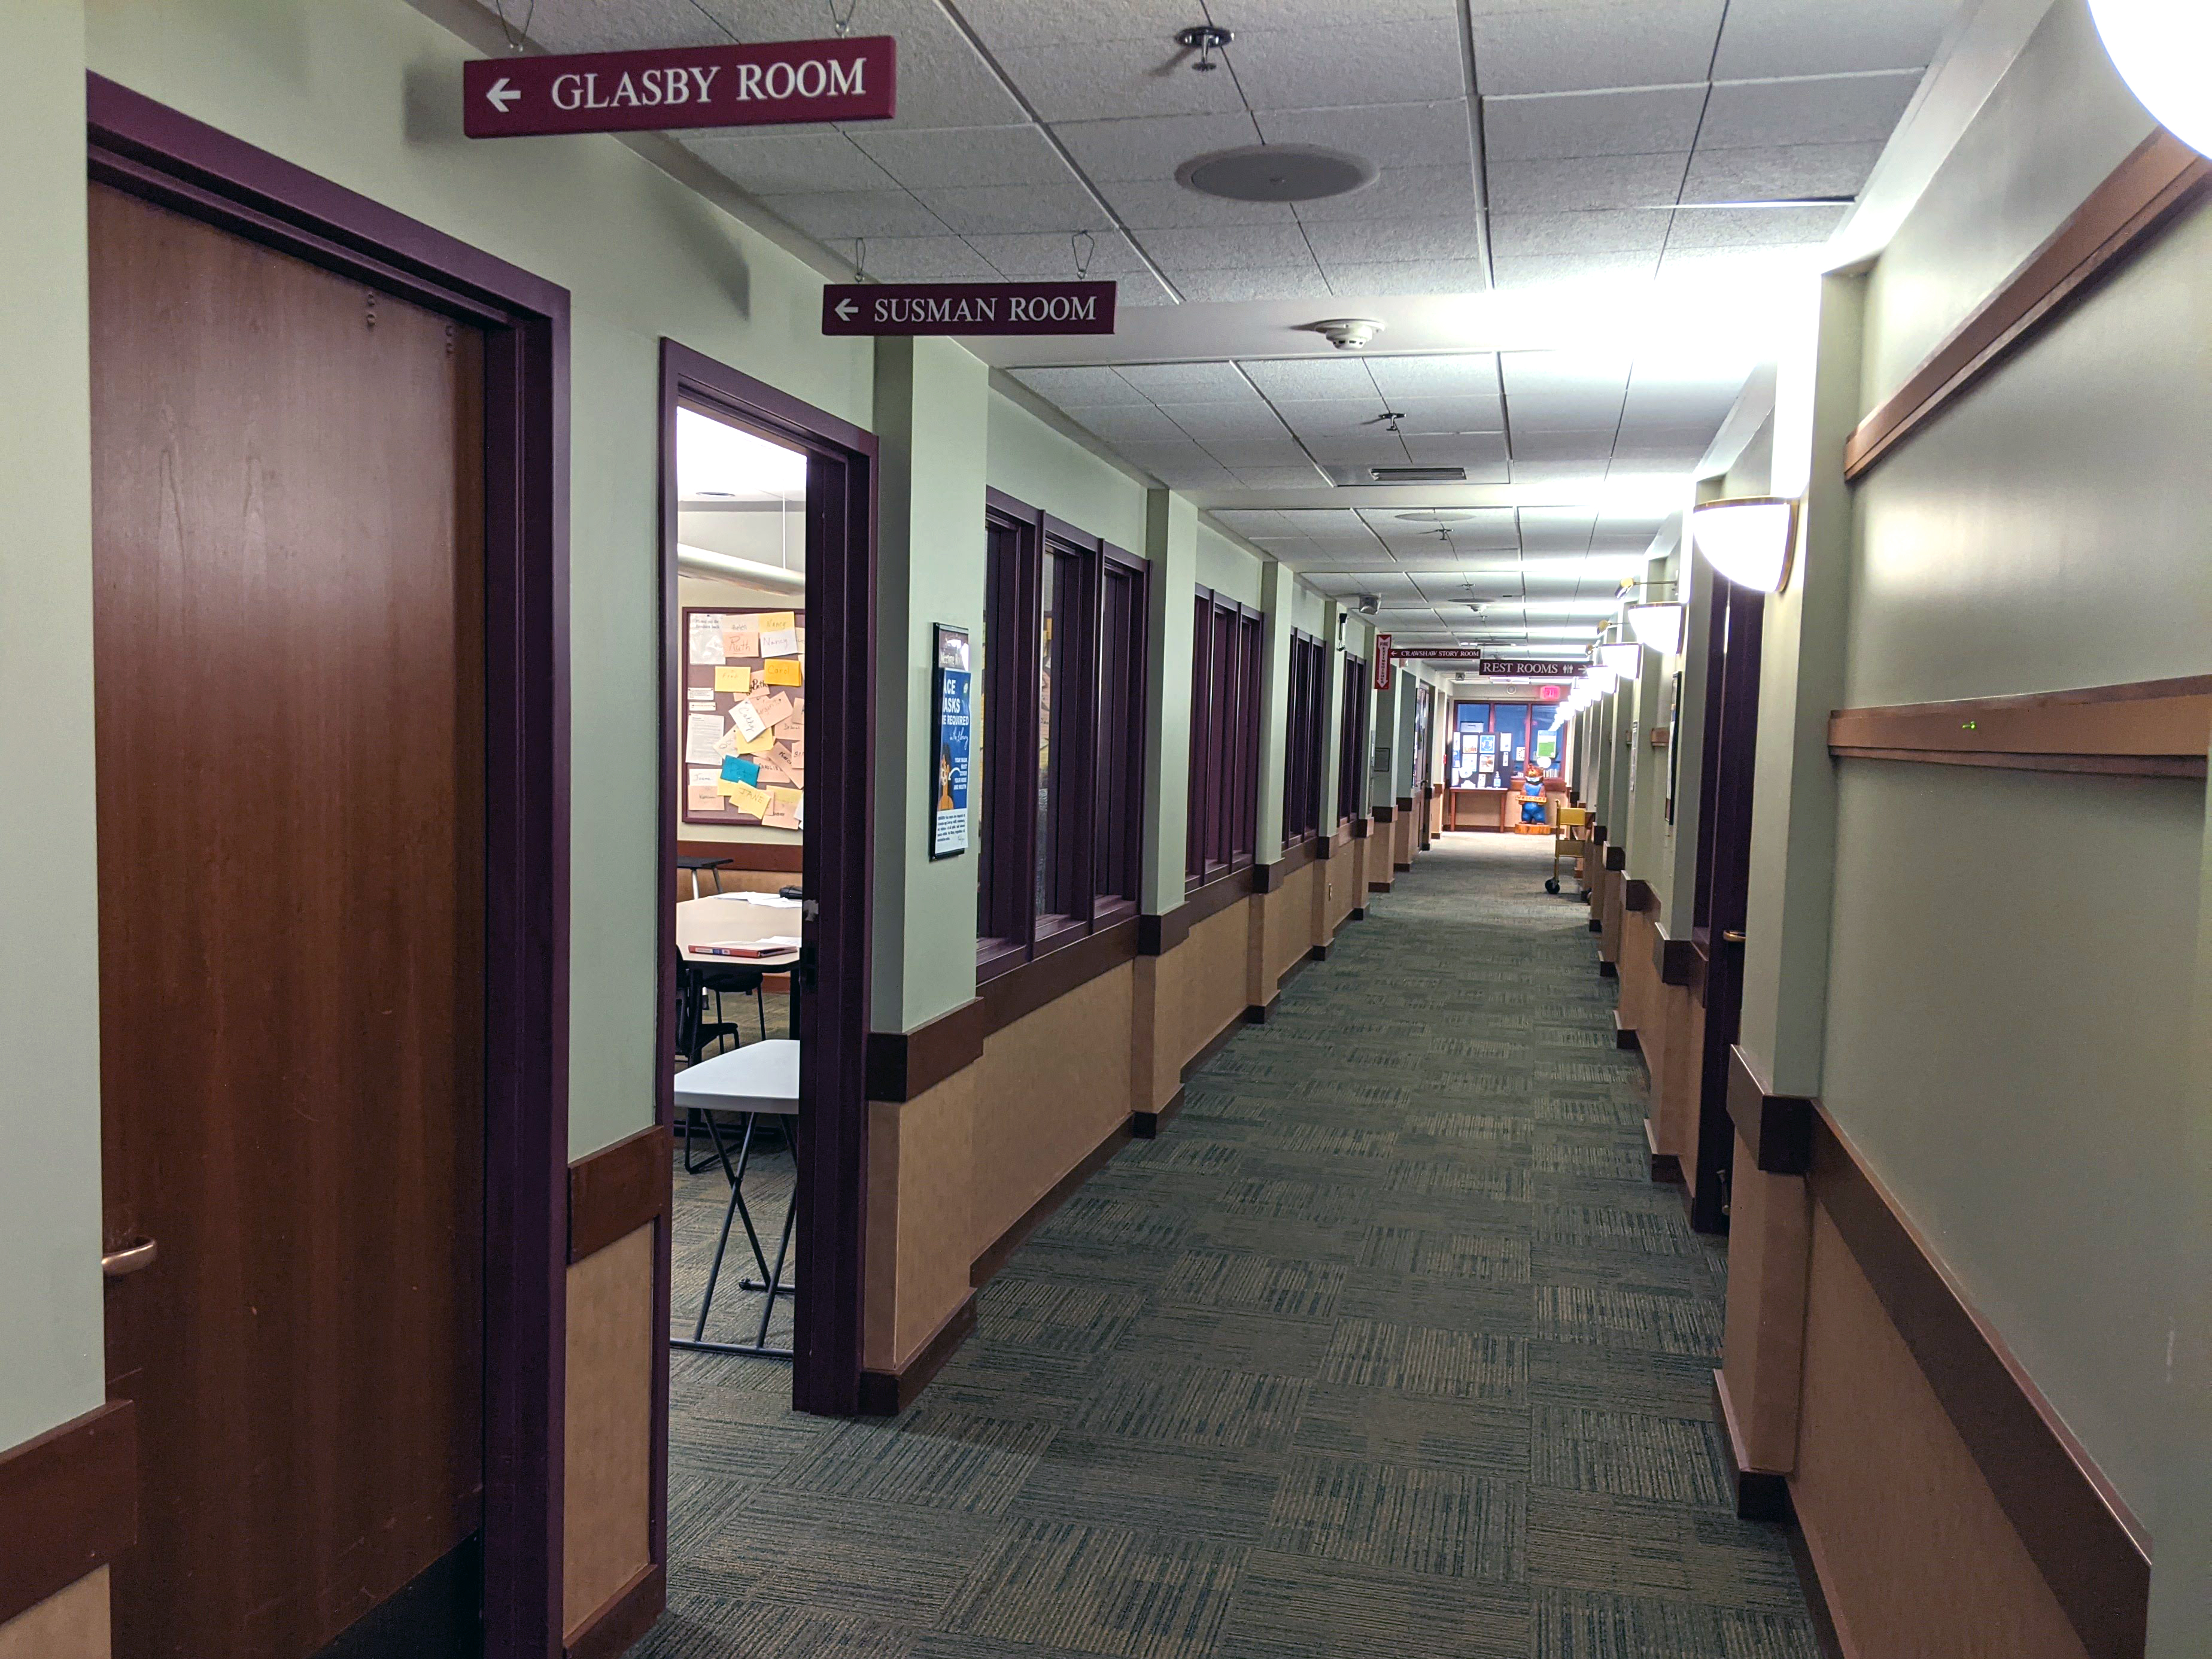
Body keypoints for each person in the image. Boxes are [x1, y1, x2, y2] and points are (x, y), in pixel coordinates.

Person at [1519, 758, 1549, 827]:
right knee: (1525, 816)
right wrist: (1522, 801)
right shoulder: (1525, 785)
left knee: (1540, 816)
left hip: (1538, 808)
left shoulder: (1541, 786)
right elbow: (1523, 794)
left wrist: (1541, 800)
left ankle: (1540, 820)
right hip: (1527, 807)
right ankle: (1526, 819)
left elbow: (1542, 795)